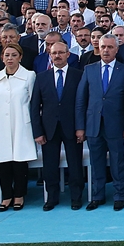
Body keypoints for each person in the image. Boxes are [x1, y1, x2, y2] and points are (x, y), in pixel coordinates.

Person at [75, 33, 124, 211]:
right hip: (93, 124)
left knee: (118, 161)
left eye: (110, 47)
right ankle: (98, 196)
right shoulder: (89, 70)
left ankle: (119, 195)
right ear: (98, 49)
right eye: (103, 47)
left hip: (116, 124)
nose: (106, 50)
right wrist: (80, 127)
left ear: (117, 49)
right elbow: (81, 100)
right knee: (96, 161)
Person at [0, 43, 38, 211]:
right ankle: (6, 196)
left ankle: (19, 195)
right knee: (3, 162)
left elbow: (34, 103)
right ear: (2, 58)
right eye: (7, 55)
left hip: (21, 123)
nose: (10, 58)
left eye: (13, 55)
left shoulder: (29, 76)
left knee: (19, 161)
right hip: (0, 125)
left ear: (20, 57)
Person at [30, 39, 84, 210]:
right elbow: (34, 106)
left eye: (61, 52)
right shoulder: (41, 77)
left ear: (68, 54)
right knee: (50, 166)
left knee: (75, 164)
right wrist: (37, 132)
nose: (58, 56)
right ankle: (51, 198)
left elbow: (82, 103)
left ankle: (76, 197)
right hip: (49, 129)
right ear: (50, 55)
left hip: (73, 127)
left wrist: (81, 128)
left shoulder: (78, 75)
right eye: (54, 53)